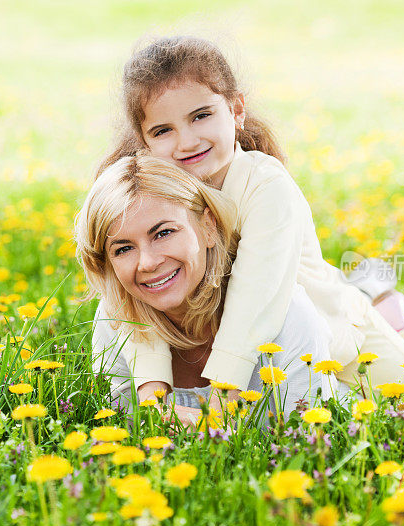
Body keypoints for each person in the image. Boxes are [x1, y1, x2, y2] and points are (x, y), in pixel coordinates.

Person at [95, 35, 404, 403]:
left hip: (329, 324)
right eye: (163, 130)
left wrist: (224, 396)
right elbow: (135, 298)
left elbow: (258, 293)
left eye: (201, 115)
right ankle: (378, 294)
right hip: (257, 341)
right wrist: (152, 392)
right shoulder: (149, 195)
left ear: (236, 110)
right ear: (144, 141)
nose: (186, 142)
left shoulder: (266, 185)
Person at [75, 155, 344, 421]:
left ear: (208, 226)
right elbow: (123, 429)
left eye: (164, 233)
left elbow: (309, 438)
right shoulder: (116, 320)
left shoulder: (287, 317)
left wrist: (202, 428)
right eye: (123, 248)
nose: (147, 263)